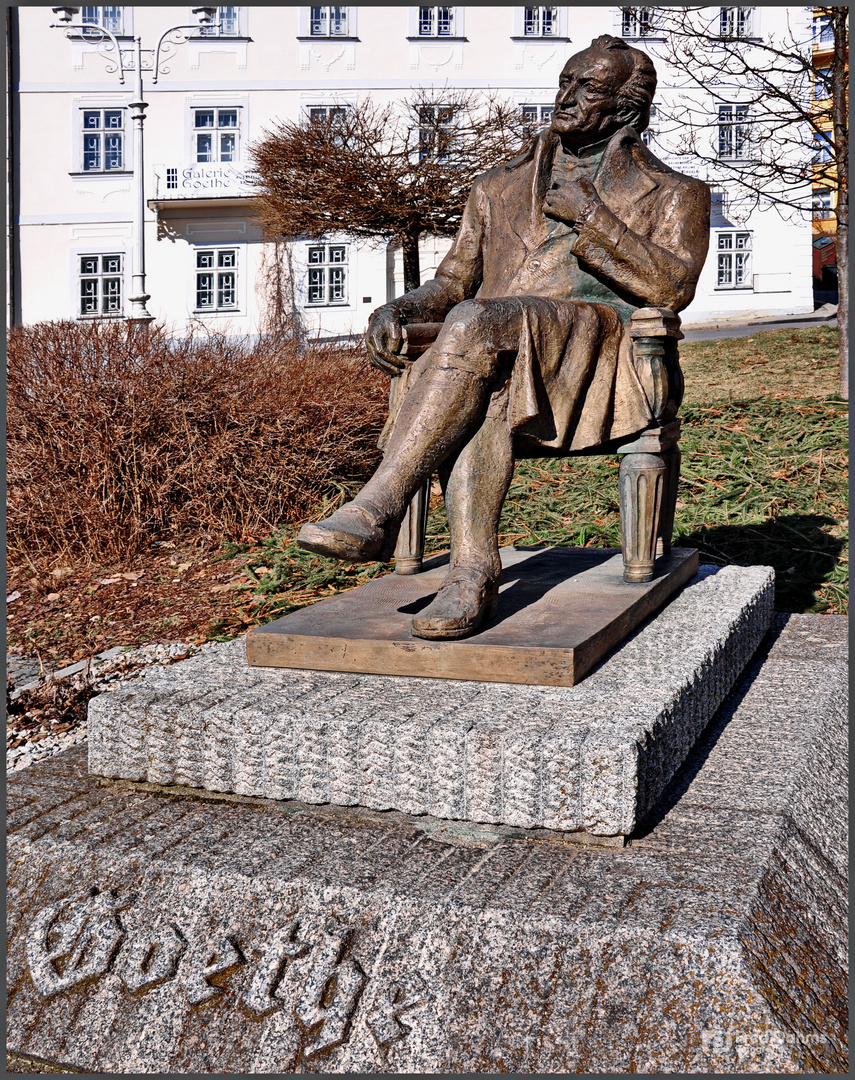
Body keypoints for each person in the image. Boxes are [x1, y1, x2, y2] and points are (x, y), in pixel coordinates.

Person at [298, 34, 710, 639]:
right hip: (496, 349)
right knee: (478, 363)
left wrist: (592, 216)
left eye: (585, 88)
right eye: (564, 82)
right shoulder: (497, 187)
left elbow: (671, 287)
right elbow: (452, 281)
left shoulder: (675, 192)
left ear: (624, 109)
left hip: (595, 351)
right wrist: (400, 306)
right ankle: (472, 572)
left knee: (473, 326)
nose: (565, 97)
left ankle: (379, 504)